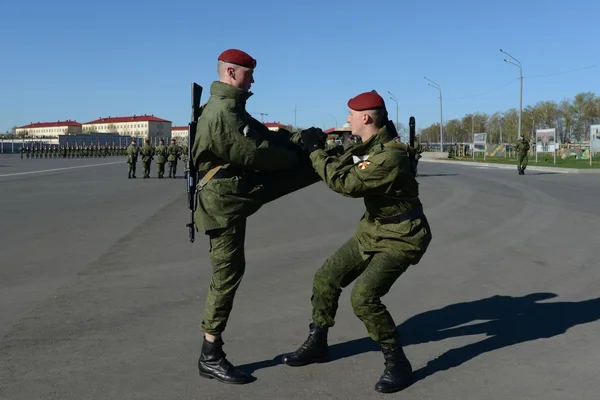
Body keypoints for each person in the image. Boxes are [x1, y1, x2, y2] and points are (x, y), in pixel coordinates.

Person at [281, 91, 432, 394]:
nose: (347, 119)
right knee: (326, 278)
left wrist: (315, 152)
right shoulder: (369, 146)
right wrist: (305, 141)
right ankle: (318, 342)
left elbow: (346, 183)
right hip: (372, 230)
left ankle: (397, 363)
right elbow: (344, 160)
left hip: (402, 237)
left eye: (350, 114)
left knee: (364, 298)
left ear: (365, 118)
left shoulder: (390, 155)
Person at [191, 48, 327, 385]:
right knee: (227, 273)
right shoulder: (222, 112)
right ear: (232, 74)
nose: (253, 79)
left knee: (309, 166)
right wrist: (302, 155)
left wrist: (299, 139)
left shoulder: (231, 107)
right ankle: (210, 354)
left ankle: (340, 162)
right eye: (249, 73)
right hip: (225, 199)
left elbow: (263, 135)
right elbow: (256, 154)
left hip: (234, 192)